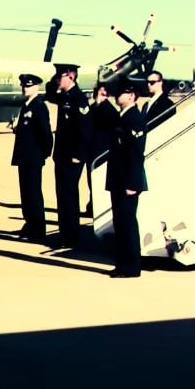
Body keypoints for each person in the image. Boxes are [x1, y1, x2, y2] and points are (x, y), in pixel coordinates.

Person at [46, 63, 92, 247]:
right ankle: (65, 233)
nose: (58, 80)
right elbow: (49, 94)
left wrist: (79, 155)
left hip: (72, 157)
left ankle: (71, 236)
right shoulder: (64, 96)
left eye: (61, 76)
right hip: (61, 155)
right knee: (62, 196)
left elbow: (85, 130)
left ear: (71, 77)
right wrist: (54, 81)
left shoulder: (78, 99)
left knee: (69, 196)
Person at [106, 82, 148, 278]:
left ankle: (131, 266)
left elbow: (136, 154)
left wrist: (132, 183)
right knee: (120, 223)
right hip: (118, 179)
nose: (118, 96)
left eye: (122, 93)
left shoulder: (134, 118)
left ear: (132, 96)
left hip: (128, 182)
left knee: (128, 223)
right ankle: (122, 263)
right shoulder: (121, 117)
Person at [11, 73, 53, 242]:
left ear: (36, 87)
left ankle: (38, 228)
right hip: (24, 156)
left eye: (28, 86)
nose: (24, 88)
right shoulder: (26, 106)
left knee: (34, 193)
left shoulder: (38, 106)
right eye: (23, 86)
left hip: (33, 157)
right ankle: (29, 223)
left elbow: (45, 133)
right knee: (26, 193)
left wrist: (43, 154)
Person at [85, 82, 118, 216]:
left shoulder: (109, 110)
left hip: (102, 151)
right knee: (90, 180)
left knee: (100, 181)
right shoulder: (92, 108)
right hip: (91, 150)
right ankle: (92, 204)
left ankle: (98, 207)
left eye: (102, 92)